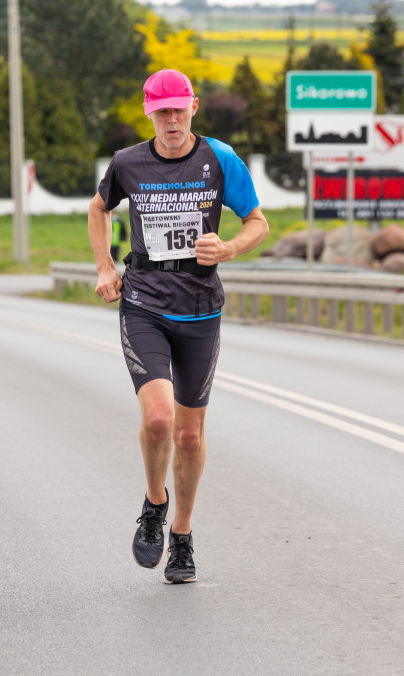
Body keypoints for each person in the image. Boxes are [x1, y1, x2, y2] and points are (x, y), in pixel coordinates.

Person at [87, 68, 269, 584]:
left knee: (190, 436)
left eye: (178, 109)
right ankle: (153, 504)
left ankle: (182, 538)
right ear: (148, 112)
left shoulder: (220, 159)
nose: (171, 119)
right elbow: (99, 207)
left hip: (201, 308)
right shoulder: (128, 162)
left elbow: (257, 220)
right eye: (161, 110)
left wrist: (229, 246)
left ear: (193, 107)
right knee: (160, 419)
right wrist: (105, 266)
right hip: (144, 300)